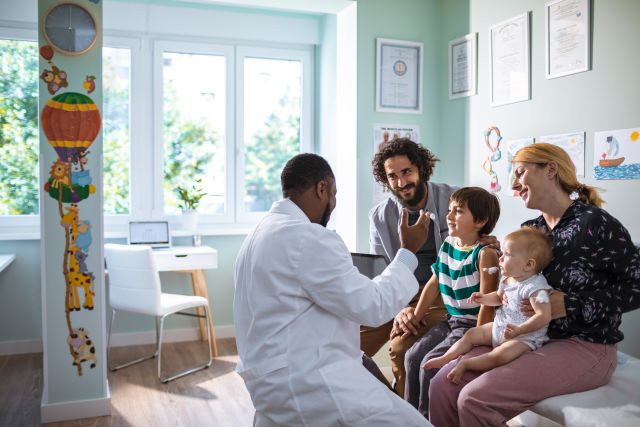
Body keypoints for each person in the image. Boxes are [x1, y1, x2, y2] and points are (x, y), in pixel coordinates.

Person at [429, 143, 640, 427]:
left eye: (519, 173)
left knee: (474, 398)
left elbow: (636, 286)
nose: (514, 184)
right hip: (525, 337)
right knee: (443, 385)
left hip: (584, 344)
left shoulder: (594, 224)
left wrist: (569, 305)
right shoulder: (532, 229)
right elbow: (515, 279)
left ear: (550, 170)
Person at [234, 153, 432, 426]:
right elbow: (373, 307)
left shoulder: (260, 232)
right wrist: (408, 251)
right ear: (321, 188)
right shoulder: (308, 237)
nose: (334, 203)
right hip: (309, 381)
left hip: (269, 380)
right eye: (334, 194)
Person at [365, 138, 458, 397]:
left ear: (421, 168)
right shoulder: (379, 216)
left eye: (406, 172)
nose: (401, 182)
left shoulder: (453, 200)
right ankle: (389, 402)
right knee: (345, 341)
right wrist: (400, 307)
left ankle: (409, 413)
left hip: (439, 292)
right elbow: (381, 272)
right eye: (392, 176)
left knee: (399, 347)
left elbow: (471, 252)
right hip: (398, 293)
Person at [401, 187, 501, 417]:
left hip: (470, 326)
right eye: (449, 210)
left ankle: (428, 419)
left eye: (458, 211)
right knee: (412, 356)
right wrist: (416, 316)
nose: (449, 216)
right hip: (451, 321)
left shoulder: (485, 254)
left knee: (430, 364)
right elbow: (434, 283)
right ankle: (408, 417)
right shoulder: (447, 245)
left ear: (481, 220)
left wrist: (478, 340)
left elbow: (488, 302)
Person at [425, 227, 553, 385]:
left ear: (528, 264)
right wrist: (483, 298)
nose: (500, 258)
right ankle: (446, 357)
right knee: (472, 334)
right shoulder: (508, 278)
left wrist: (521, 330)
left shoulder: (535, 288)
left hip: (524, 337)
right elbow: (499, 298)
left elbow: (544, 315)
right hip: (500, 327)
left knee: (499, 356)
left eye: (507, 255)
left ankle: (466, 364)